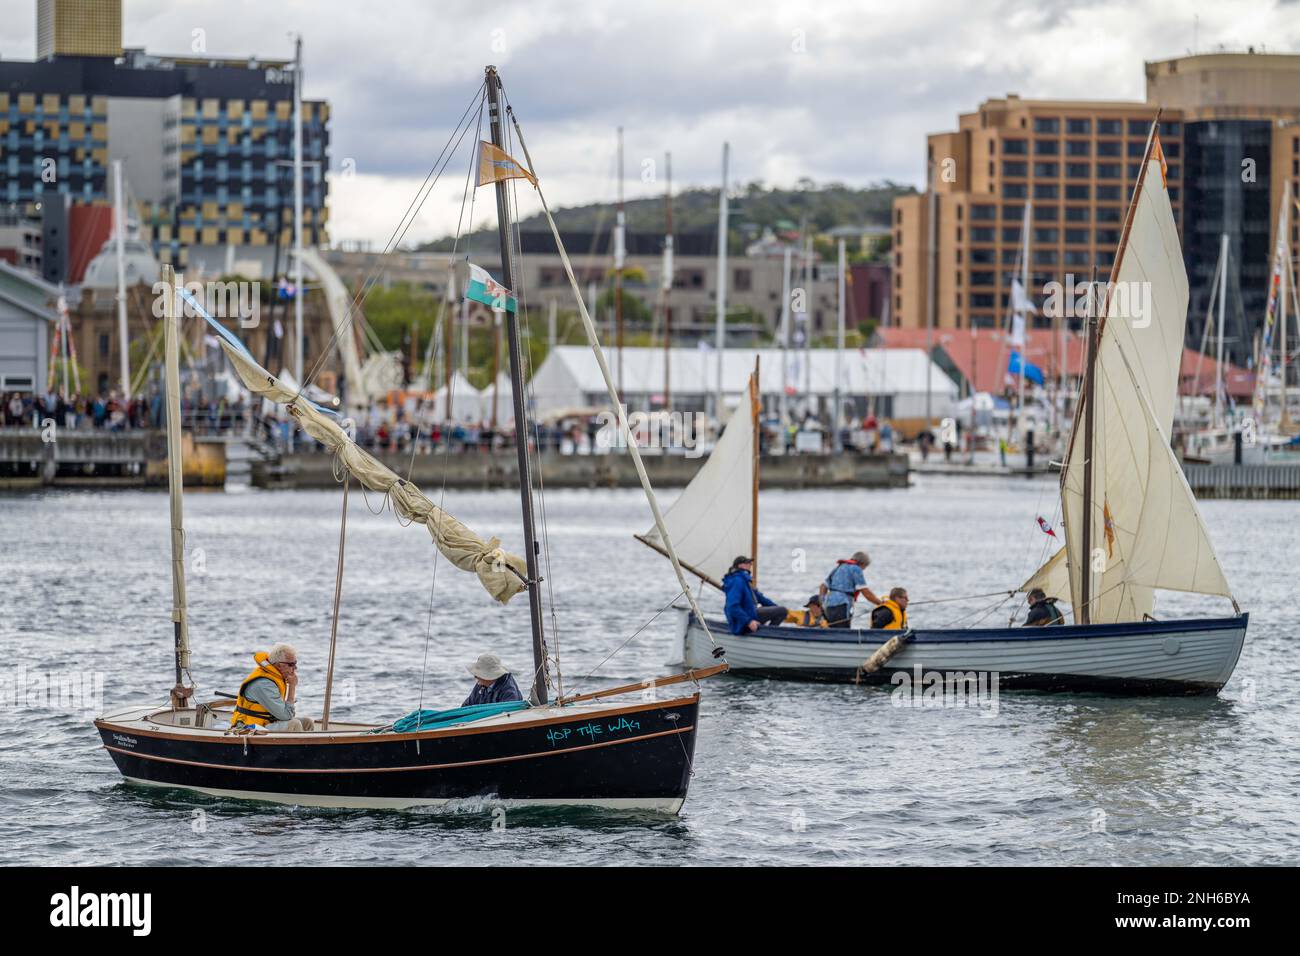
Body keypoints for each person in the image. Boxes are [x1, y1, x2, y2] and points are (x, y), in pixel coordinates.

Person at [231, 643, 315, 731]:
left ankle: (306, 744)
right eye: (291, 664)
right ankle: (298, 745)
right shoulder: (264, 684)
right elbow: (287, 716)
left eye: (295, 663)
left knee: (307, 722)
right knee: (294, 724)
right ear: (278, 665)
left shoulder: (275, 676)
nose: (295, 668)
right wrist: (292, 686)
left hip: (267, 721)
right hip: (249, 726)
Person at [722, 556, 787, 634]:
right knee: (782, 611)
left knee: (781, 611)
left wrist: (777, 607)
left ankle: (766, 633)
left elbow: (762, 599)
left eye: (750, 563)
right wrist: (748, 621)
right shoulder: (737, 581)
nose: (750, 564)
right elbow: (732, 607)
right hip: (743, 619)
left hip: (750, 613)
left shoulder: (745, 580)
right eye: (747, 563)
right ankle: (768, 634)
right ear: (740, 565)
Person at [820, 550, 882, 628]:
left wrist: (822, 602)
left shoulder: (839, 567)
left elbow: (823, 586)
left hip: (829, 604)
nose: (863, 570)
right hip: (842, 604)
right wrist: (880, 603)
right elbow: (866, 592)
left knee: (832, 628)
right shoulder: (856, 569)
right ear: (862, 563)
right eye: (865, 567)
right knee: (842, 630)